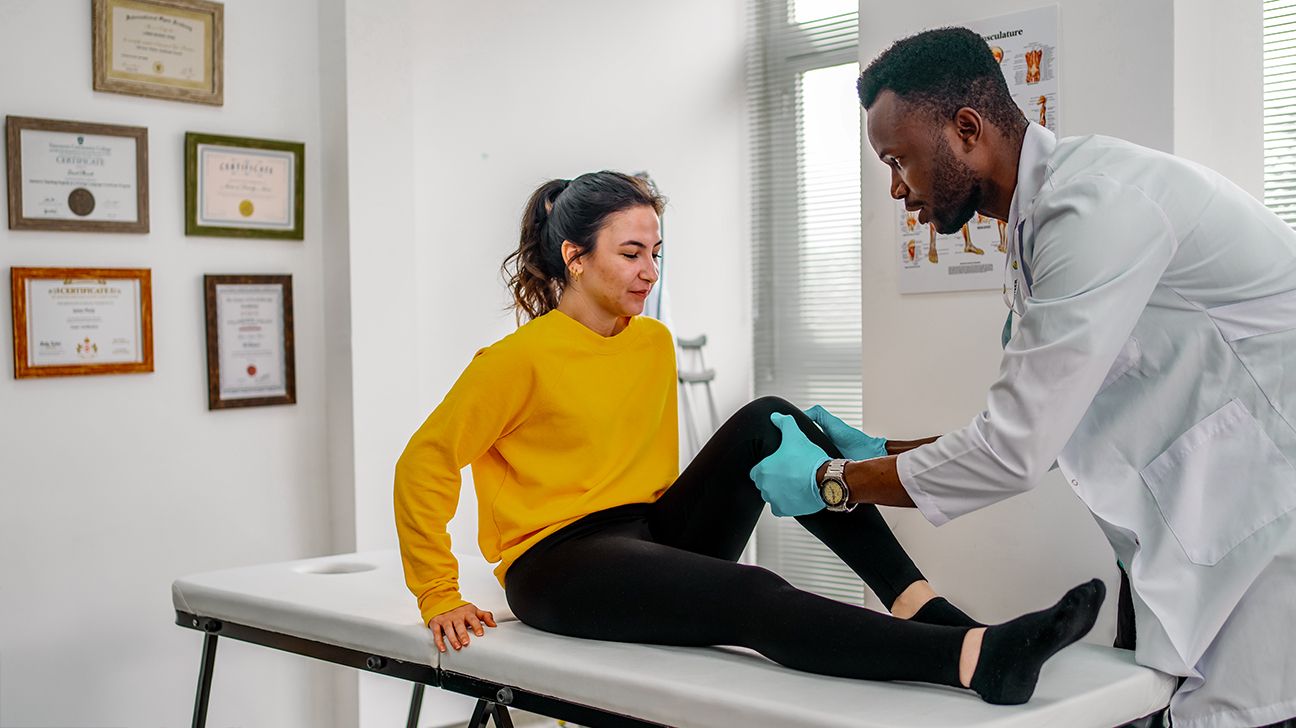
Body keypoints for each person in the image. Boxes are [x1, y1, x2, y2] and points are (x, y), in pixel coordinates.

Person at [750, 27, 1296, 728]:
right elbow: (1034, 422)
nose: (895, 188)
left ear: (967, 129)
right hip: (1192, 534)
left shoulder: (1097, 207)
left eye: (899, 160)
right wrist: (882, 452)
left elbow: (1013, 451)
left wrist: (833, 483)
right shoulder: (1041, 224)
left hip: (1264, 539)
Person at [394, 170, 1105, 705]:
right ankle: (975, 661)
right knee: (755, 591)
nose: (650, 271)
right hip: (559, 566)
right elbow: (424, 463)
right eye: (632, 254)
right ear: (576, 258)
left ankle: (925, 607)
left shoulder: (652, 343)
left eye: (657, 252)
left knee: (771, 418)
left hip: (646, 535)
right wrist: (439, 594)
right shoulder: (517, 361)